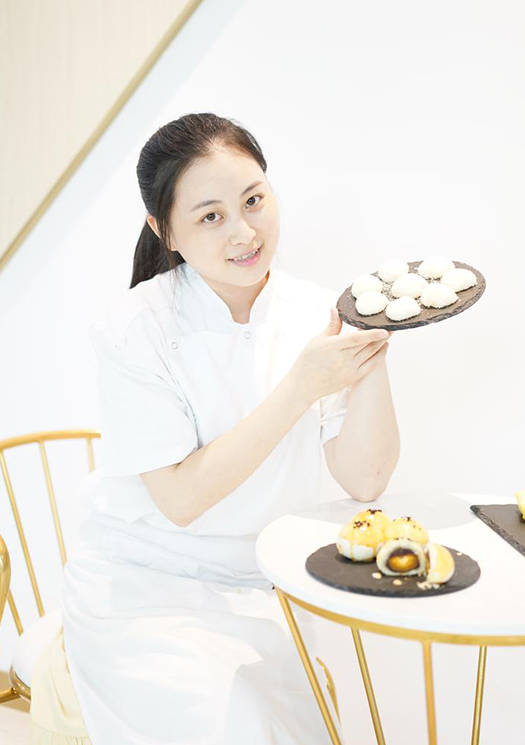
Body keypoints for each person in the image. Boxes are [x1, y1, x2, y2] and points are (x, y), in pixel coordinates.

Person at [49, 112, 399, 744]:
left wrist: (373, 349)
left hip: (267, 586)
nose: (244, 232)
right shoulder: (134, 328)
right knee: (239, 727)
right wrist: (302, 385)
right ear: (164, 230)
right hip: (144, 588)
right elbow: (180, 500)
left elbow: (366, 480)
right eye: (210, 216)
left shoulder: (314, 312)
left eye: (253, 200)